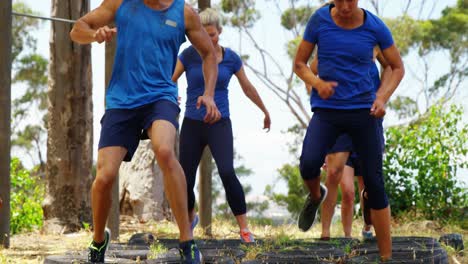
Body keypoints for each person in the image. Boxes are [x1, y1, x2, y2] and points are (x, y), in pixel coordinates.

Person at [70, 0, 221, 263]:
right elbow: (77, 29)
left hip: (160, 96)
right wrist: (95, 34)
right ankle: (97, 241)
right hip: (122, 101)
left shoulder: (184, 13)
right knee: (104, 177)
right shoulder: (120, 4)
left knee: (164, 150)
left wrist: (209, 94)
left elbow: (209, 54)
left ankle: (187, 241)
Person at [293, 0, 404, 261]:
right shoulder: (319, 21)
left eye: (350, 0)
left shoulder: (375, 27)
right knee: (308, 165)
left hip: (364, 113)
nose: (344, 5)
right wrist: (317, 83)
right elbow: (300, 64)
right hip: (328, 112)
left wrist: (382, 97)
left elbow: (396, 67)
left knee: (375, 184)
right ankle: (316, 194)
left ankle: (386, 257)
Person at [172, 8, 271, 243]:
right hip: (192, 124)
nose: (208, 39)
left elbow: (247, 87)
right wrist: (170, 95)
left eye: (213, 35)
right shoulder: (188, 55)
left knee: (227, 172)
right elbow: (170, 79)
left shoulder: (231, 58)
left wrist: (264, 110)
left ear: (220, 32)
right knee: (184, 177)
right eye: (204, 35)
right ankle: (190, 218)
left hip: (220, 124)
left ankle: (244, 229)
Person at [307, 46, 391, 240]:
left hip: (368, 119)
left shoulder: (372, 41)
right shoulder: (331, 41)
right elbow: (311, 72)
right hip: (340, 121)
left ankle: (370, 228)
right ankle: (330, 234)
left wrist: (382, 96)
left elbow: (391, 68)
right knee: (342, 184)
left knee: (370, 184)